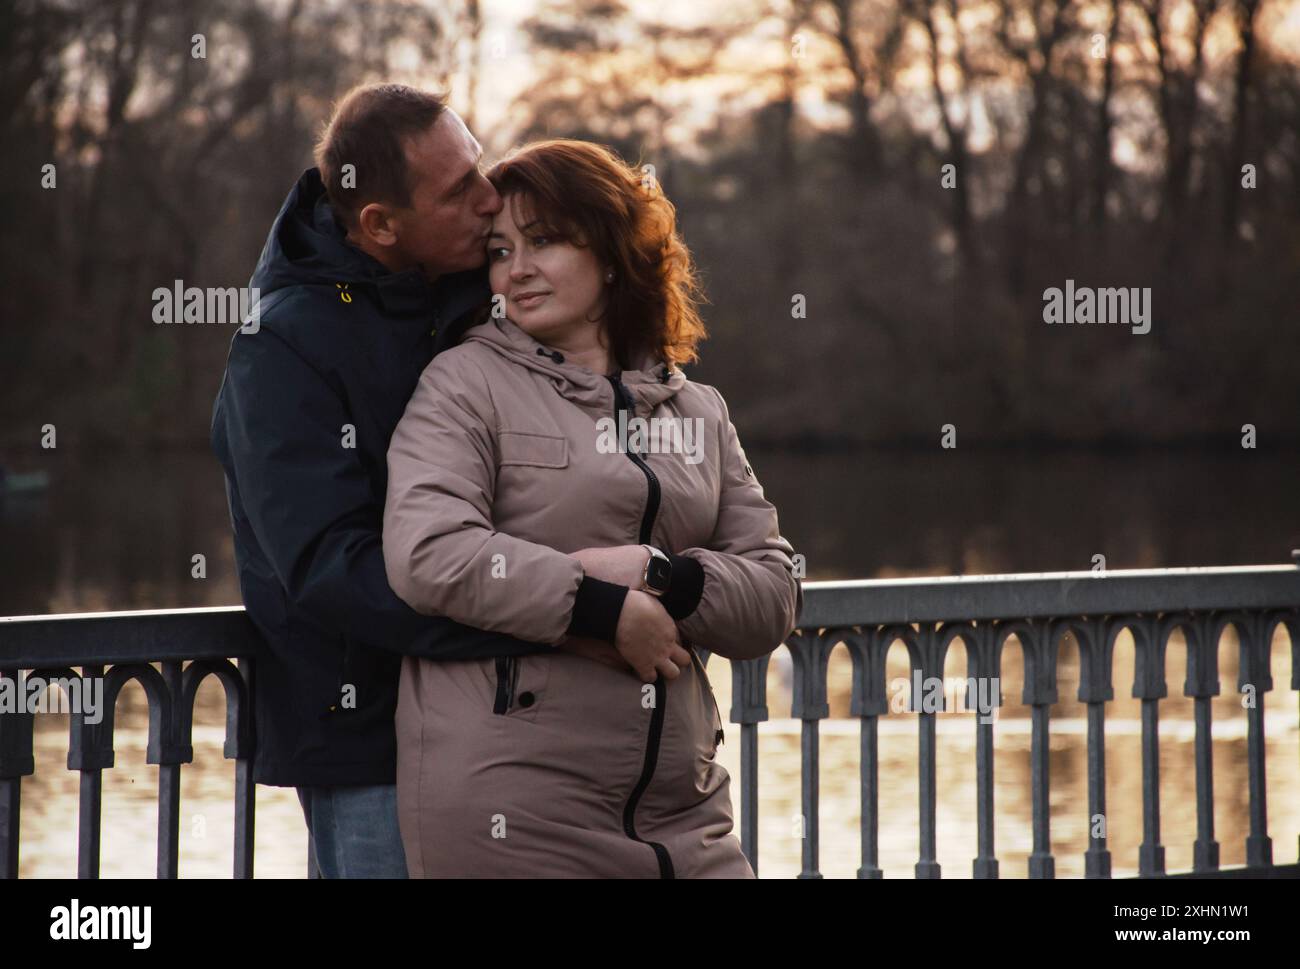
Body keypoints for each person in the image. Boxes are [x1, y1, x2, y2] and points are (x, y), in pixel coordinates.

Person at [383, 138, 803, 877]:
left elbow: (773, 594)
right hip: (512, 810)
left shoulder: (697, 410)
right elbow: (429, 551)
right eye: (501, 249)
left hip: (687, 811)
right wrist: (597, 603)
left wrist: (664, 577)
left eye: (544, 241)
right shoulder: (463, 384)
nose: (516, 269)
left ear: (612, 251)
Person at [209, 83, 542, 878]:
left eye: (481, 167)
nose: (491, 198)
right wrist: (548, 617)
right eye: (460, 190)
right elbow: (330, 568)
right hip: (368, 747)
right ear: (380, 224)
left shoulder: (477, 294)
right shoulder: (282, 348)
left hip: (511, 726)